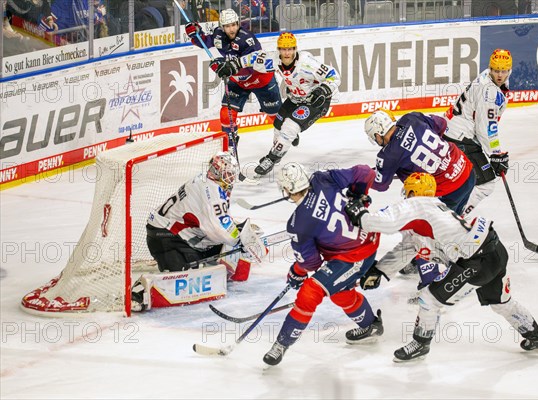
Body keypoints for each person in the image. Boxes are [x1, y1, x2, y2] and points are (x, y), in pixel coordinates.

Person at [344, 171, 538, 361]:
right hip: (494, 250)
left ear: (412, 192)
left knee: (429, 298)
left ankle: (421, 344)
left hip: (476, 260)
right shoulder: (435, 210)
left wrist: (361, 216)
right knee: (501, 303)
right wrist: (380, 270)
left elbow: (386, 222)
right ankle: (536, 336)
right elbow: (409, 247)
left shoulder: (418, 205)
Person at [262, 162, 382, 366]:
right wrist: (358, 197)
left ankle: (282, 344)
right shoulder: (321, 179)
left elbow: (311, 262)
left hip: (356, 255)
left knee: (311, 291)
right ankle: (370, 325)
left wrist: (298, 271)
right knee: (338, 291)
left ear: (286, 190)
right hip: (369, 234)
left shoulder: (298, 223)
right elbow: (366, 173)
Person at [135, 152, 265, 311]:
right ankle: (139, 293)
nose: (231, 179)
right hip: (166, 237)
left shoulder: (207, 181)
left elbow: (218, 225)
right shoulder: (211, 190)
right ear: (217, 172)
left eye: (232, 175)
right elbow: (218, 230)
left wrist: (238, 235)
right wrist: (240, 240)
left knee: (225, 248)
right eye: (228, 174)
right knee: (182, 281)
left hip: (183, 235)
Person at [216, 32, 341, 177]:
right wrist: (234, 64)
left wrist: (323, 89)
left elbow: (334, 75)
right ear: (279, 49)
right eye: (283, 49)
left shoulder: (307, 63)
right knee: (278, 125)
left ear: (295, 49)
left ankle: (272, 157)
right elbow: (254, 57)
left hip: (316, 101)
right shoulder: (274, 60)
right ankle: (277, 151)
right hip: (295, 98)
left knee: (290, 127)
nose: (287, 53)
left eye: (290, 49)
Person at [185, 9, 282, 147]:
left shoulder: (247, 40)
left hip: (261, 79)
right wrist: (195, 35)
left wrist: (226, 67)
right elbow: (205, 42)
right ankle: (230, 145)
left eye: (234, 25)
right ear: (222, 26)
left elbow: (251, 67)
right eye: (227, 26)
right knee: (226, 114)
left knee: (275, 116)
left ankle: (284, 136)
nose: (231, 29)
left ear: (238, 23)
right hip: (239, 82)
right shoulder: (219, 35)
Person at [364, 109, 475, 216]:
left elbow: (381, 184)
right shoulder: (411, 118)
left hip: (449, 190)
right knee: (457, 226)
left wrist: (360, 177)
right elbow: (442, 123)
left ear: (378, 135)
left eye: (374, 138)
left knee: (438, 231)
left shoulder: (388, 155)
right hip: (466, 170)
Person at [443, 49, 512, 217]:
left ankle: (447, 216)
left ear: (510, 70)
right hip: (460, 138)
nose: (500, 75)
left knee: (462, 180)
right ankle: (454, 220)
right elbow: (485, 128)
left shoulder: (487, 79)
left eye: (503, 71)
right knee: (485, 184)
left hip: (454, 133)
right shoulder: (489, 92)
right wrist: (495, 154)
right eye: (496, 70)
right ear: (490, 68)